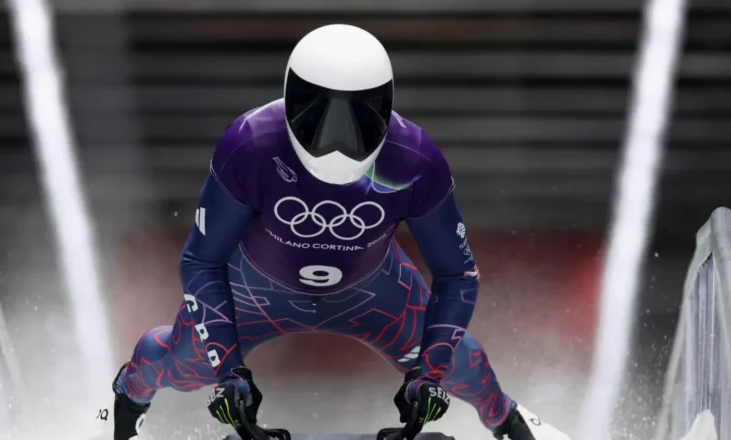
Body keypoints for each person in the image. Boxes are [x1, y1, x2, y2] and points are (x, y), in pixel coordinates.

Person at [94, 24, 572, 440]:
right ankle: (119, 406)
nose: (337, 140)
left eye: (358, 117)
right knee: (183, 361)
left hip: (367, 289)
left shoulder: (416, 161)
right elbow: (202, 261)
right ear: (290, 97)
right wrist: (227, 370)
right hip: (261, 289)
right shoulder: (250, 144)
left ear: (385, 106)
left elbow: (458, 274)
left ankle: (509, 420)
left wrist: (428, 374)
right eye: (318, 116)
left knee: (458, 364)